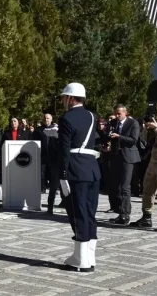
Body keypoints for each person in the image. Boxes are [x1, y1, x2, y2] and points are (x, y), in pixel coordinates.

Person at [58, 82, 100, 272]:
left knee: (77, 212)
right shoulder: (92, 116)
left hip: (75, 169)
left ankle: (81, 259)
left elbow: (64, 149)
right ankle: (90, 257)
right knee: (90, 212)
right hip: (92, 168)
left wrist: (62, 174)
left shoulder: (66, 118)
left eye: (64, 97)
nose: (62, 101)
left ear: (70, 98)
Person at [130, 102, 157, 232]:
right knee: (147, 189)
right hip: (153, 162)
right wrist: (146, 128)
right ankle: (146, 217)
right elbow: (143, 141)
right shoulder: (156, 124)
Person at [108, 104, 140, 225]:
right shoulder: (114, 123)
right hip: (116, 156)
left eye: (119, 113)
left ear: (125, 113)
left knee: (125, 187)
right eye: (116, 113)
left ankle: (125, 215)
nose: (117, 116)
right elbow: (109, 136)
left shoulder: (133, 123)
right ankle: (120, 211)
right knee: (115, 186)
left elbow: (133, 140)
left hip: (128, 157)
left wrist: (119, 137)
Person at [37, 113, 60, 213]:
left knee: (54, 182)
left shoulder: (56, 130)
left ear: (51, 119)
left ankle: (50, 206)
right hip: (42, 157)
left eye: (48, 118)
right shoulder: (39, 130)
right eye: (45, 118)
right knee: (40, 177)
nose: (46, 120)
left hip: (54, 158)